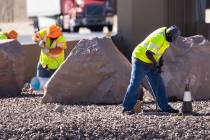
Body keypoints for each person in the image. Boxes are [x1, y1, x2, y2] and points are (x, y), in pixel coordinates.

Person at [122, 25, 181, 115]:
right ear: (169, 34)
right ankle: (127, 108)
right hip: (140, 59)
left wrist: (159, 61)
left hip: (150, 61)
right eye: (171, 38)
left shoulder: (167, 38)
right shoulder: (158, 37)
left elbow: (158, 51)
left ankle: (165, 107)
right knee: (135, 82)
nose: (171, 41)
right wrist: (155, 64)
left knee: (158, 84)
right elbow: (148, 53)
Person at [31, 24, 67, 90]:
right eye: (50, 37)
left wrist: (48, 51)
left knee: (55, 86)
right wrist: (38, 41)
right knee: (40, 84)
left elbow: (59, 51)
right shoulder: (45, 32)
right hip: (43, 63)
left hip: (56, 66)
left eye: (53, 37)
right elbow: (34, 36)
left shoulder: (61, 38)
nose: (52, 38)